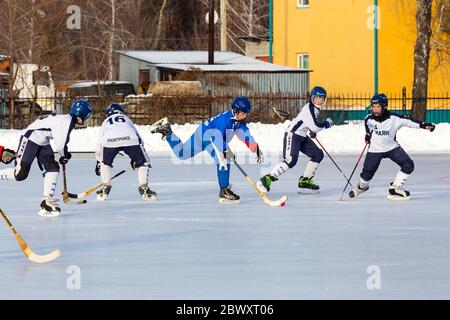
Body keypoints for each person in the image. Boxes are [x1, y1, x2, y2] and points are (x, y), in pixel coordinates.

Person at [150, 96, 263, 204]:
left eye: (246, 114)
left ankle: (168, 132)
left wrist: (256, 150)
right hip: (208, 136)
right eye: (243, 113)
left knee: (182, 153)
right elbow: (216, 137)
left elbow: (246, 136)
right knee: (223, 159)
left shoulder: (239, 122)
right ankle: (224, 191)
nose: (244, 116)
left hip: (202, 132)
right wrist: (225, 151)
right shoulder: (225, 120)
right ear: (236, 111)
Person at [0, 100, 93, 217]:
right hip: (31, 137)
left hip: (42, 140)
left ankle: (46, 200)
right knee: (20, 174)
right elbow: (60, 145)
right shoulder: (66, 122)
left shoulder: (66, 120)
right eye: (87, 115)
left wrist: (64, 154)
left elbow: (61, 142)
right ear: (82, 114)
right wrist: (65, 155)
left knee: (53, 167)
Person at [349, 93, 436, 200]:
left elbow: (410, 121)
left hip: (392, 148)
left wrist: (424, 125)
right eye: (373, 107)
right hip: (375, 149)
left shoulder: (394, 118)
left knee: (408, 165)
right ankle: (361, 187)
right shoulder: (369, 119)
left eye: (378, 107)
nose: (375, 109)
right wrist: (367, 136)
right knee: (367, 173)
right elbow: (368, 128)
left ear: (384, 107)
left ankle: (395, 188)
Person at [257, 86, 333, 194]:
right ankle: (267, 179)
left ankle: (305, 180)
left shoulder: (315, 109)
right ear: (313, 98)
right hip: (293, 135)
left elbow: (310, 124)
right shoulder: (309, 108)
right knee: (291, 160)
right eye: (318, 97)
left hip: (302, 136)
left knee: (318, 154)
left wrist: (311, 130)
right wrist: (326, 123)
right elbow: (315, 126)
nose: (321, 100)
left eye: (322, 98)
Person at [95, 103, 156, 201]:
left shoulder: (106, 121)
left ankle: (105, 188)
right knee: (143, 162)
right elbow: (138, 138)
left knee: (105, 163)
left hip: (110, 141)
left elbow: (99, 143)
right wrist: (137, 158)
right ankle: (144, 189)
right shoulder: (126, 118)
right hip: (130, 139)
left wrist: (99, 162)